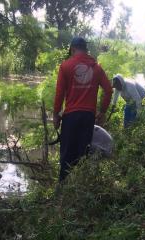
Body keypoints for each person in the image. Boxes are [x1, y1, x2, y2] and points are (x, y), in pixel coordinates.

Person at [53, 37, 112, 181]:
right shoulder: (96, 68)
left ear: (73, 49)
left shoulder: (65, 66)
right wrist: (102, 111)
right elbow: (109, 90)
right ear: (86, 49)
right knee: (83, 151)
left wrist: (56, 115)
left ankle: (62, 187)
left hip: (71, 116)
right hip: (88, 117)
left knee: (67, 153)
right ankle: (80, 185)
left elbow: (60, 93)